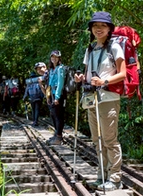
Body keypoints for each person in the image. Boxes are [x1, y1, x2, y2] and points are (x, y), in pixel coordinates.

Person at [74, 11, 126, 191]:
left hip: (108, 98)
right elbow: (89, 73)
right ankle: (101, 175)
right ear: (91, 29)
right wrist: (82, 78)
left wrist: (104, 81)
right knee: (97, 140)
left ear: (109, 28)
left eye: (103, 26)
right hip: (92, 99)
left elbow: (122, 74)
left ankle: (115, 178)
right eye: (95, 25)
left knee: (109, 140)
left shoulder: (115, 47)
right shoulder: (90, 49)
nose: (99, 28)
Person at [47, 50, 65, 145]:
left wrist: (57, 97)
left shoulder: (60, 68)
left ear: (59, 58)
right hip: (52, 94)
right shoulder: (51, 69)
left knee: (58, 116)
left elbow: (60, 83)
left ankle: (59, 137)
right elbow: (49, 83)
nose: (54, 59)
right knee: (53, 115)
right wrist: (48, 96)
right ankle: (56, 134)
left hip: (58, 94)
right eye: (52, 57)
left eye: (56, 57)